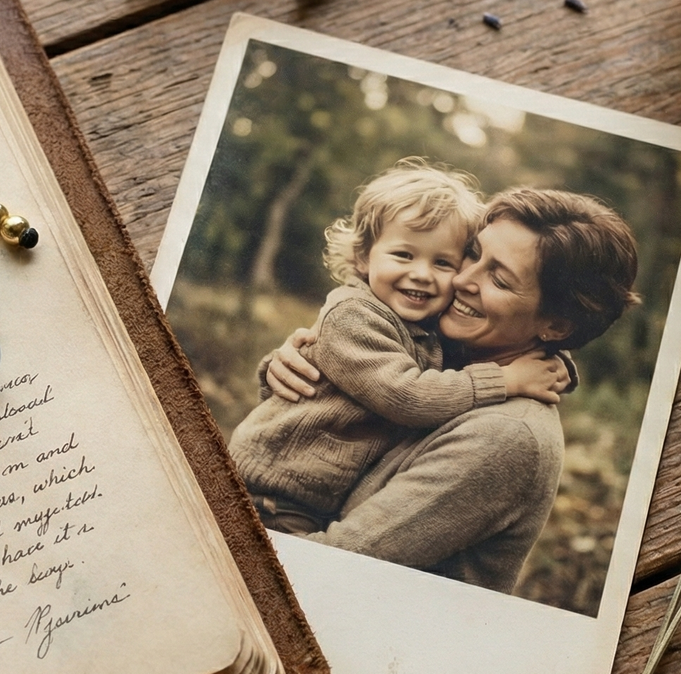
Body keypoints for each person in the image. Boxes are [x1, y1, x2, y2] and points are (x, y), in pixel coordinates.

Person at [262, 186, 640, 593]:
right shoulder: (448, 352)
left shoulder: (506, 436)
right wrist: (301, 364)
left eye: (499, 279)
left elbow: (331, 566)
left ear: (556, 326)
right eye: (473, 253)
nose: (461, 278)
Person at [230, 160, 569, 535]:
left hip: (310, 498)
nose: (421, 274)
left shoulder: (424, 325)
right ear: (363, 257)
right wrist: (506, 380)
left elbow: (488, 351)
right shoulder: (352, 315)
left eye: (443, 262)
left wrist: (552, 359)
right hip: (272, 496)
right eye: (404, 255)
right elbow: (407, 396)